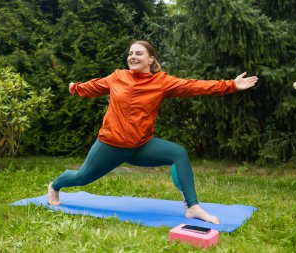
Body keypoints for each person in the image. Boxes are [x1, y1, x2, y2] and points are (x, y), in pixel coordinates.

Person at [48, 40, 258, 224]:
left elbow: (194, 86)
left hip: (141, 145)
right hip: (111, 145)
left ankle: (192, 206)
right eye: (130, 53)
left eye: (138, 53)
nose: (132, 56)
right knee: (81, 177)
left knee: (178, 153)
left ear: (151, 60)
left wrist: (231, 84)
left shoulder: (162, 82)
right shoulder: (118, 77)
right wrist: (75, 87)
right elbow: (94, 87)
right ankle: (55, 186)